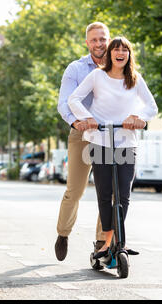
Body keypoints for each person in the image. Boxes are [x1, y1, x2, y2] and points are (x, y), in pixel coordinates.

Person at [68, 36, 158, 258]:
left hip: (127, 143)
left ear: (129, 55)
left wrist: (138, 117)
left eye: (124, 50)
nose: (120, 53)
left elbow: (152, 107)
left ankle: (116, 241)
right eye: (116, 49)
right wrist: (87, 118)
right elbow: (74, 100)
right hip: (100, 141)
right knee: (105, 193)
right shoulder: (98, 76)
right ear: (109, 54)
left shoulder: (135, 79)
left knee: (123, 195)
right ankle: (107, 242)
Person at [55, 22, 110, 261]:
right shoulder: (76, 69)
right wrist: (75, 122)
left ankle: (102, 242)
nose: (99, 43)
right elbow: (64, 102)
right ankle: (63, 233)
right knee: (75, 191)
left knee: (108, 192)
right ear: (87, 43)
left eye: (102, 39)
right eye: (94, 40)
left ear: (108, 40)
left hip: (110, 135)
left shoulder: (119, 64)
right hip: (82, 133)